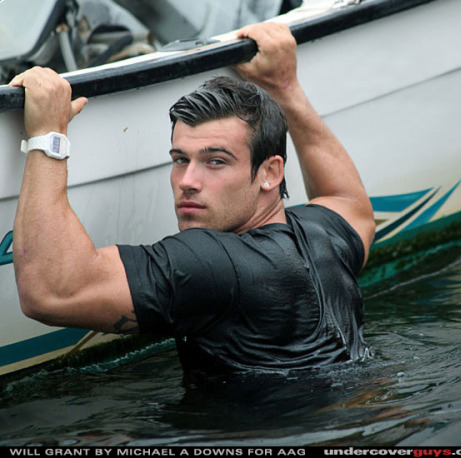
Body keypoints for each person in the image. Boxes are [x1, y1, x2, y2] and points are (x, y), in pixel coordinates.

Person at [10, 23, 375, 375]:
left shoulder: (214, 264)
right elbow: (351, 204)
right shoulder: (321, 234)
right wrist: (285, 87)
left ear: (271, 173)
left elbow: (53, 291)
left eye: (216, 162)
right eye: (180, 159)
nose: (187, 181)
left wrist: (47, 136)